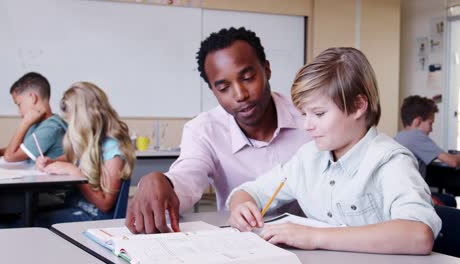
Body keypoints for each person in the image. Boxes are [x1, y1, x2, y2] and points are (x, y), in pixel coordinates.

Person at [227, 47, 441, 255]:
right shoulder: (308, 157)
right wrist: (242, 206)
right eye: (303, 114)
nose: (306, 125)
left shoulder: (390, 161)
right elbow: (249, 192)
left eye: (319, 113)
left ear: (358, 106)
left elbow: (419, 235)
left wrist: (315, 236)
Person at [126, 27, 311, 234]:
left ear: (266, 70)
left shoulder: (310, 115)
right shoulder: (204, 130)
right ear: (213, 91)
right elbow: (187, 179)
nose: (240, 94)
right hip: (244, 245)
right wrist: (161, 182)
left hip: (317, 242)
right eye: (224, 88)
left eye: (248, 77)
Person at [33, 82, 135, 227]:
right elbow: (68, 161)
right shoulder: (90, 142)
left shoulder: (112, 150)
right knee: (31, 213)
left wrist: (77, 173)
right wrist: (49, 162)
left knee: (31, 221)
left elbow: (105, 204)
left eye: (72, 121)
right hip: (76, 207)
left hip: (95, 217)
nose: (71, 127)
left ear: (84, 118)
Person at [395, 95, 458, 206]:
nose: (431, 129)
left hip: (401, 195)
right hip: (413, 199)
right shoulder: (416, 136)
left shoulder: (400, 136)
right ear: (418, 121)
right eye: (430, 123)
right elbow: (453, 162)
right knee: (450, 201)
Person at [0, 72, 67, 161]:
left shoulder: (50, 128)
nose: (19, 111)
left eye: (19, 104)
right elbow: (22, 149)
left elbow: (10, 157)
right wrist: (0, 152)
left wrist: (25, 123)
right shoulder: (40, 123)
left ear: (32, 98)